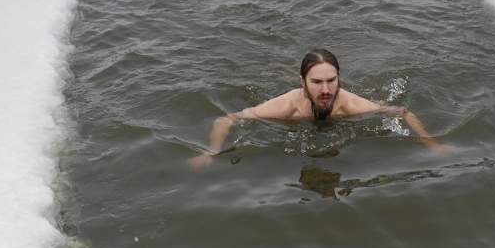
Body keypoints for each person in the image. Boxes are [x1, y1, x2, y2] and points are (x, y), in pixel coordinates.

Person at [188, 49, 450, 169]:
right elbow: (227, 119)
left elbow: (402, 112)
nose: (325, 90)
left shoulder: (352, 105)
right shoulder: (284, 108)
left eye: (331, 81)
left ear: (338, 79)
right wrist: (210, 152)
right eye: (316, 82)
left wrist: (431, 143)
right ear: (303, 83)